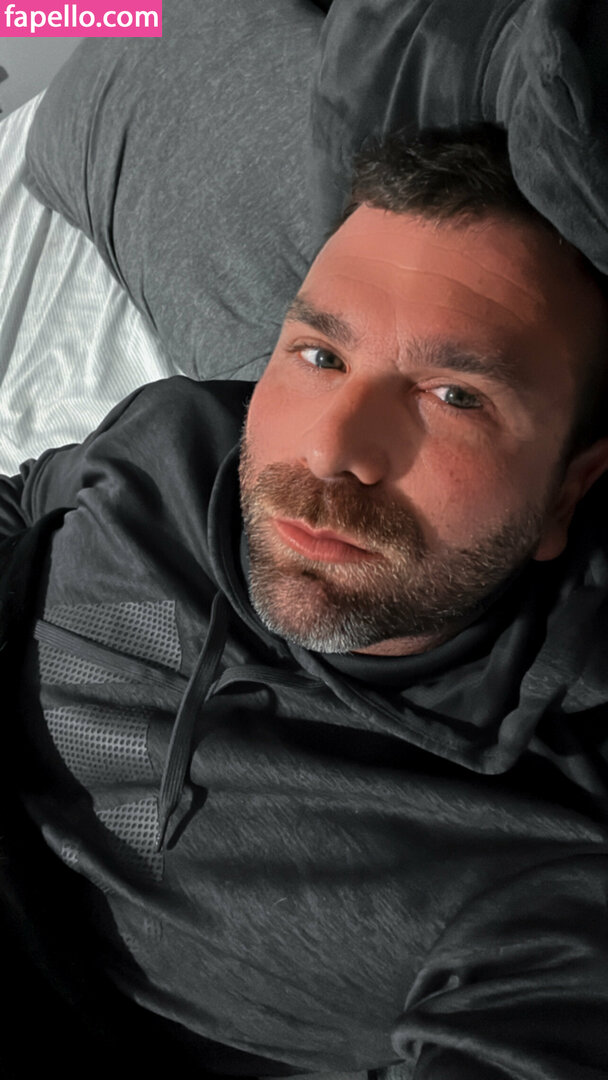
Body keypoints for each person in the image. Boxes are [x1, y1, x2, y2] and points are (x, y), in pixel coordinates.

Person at [2, 126, 608, 1080]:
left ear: (567, 493)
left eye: (454, 395)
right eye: (321, 355)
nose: (331, 451)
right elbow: (22, 501)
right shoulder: (170, 448)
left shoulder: (543, 860)